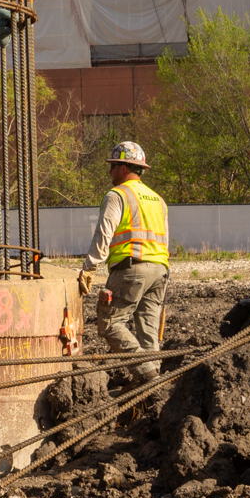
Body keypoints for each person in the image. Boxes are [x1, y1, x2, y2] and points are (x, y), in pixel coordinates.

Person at [76, 141, 170, 391]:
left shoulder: (117, 195)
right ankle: (152, 384)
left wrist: (89, 267)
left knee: (110, 324)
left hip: (130, 268)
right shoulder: (158, 200)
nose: (109, 172)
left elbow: (103, 233)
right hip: (160, 270)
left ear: (123, 168)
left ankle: (146, 372)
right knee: (148, 328)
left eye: (112, 166)